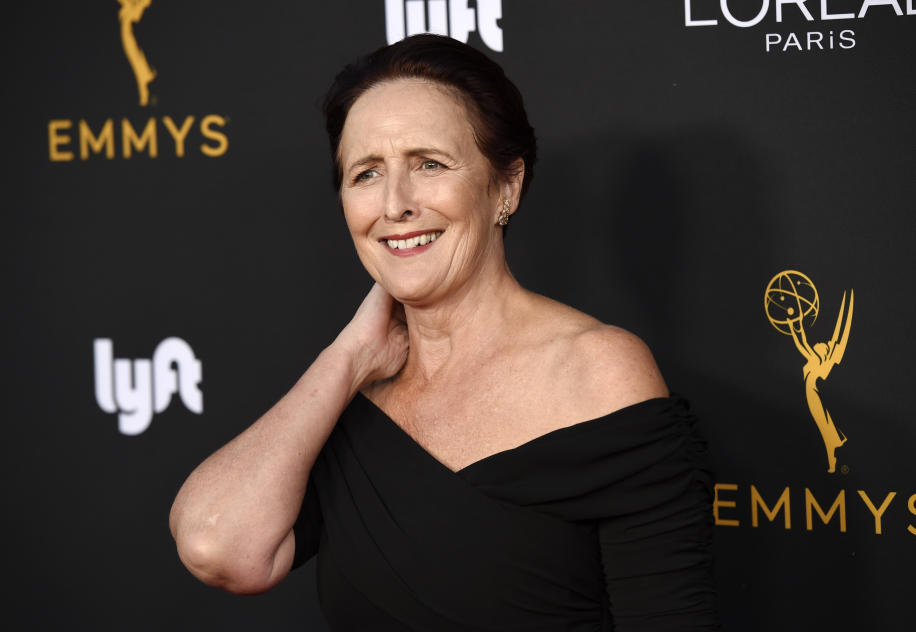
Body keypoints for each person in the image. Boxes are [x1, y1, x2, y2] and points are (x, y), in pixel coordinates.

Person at [170, 34, 718, 630]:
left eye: (428, 164)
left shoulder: (599, 370)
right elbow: (218, 549)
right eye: (366, 173)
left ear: (505, 186)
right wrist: (348, 357)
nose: (395, 204)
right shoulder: (355, 393)